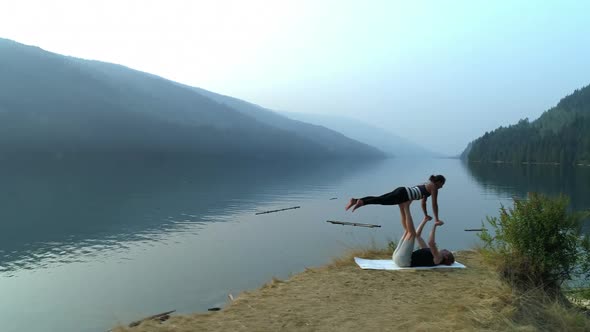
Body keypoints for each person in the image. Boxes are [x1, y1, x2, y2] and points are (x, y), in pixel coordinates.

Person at [345, 175, 446, 242]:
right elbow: (434, 204)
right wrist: (436, 218)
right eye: (442, 184)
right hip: (403, 196)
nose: (442, 187)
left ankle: (356, 200)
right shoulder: (433, 188)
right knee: (381, 200)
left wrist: (425, 215)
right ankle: (361, 202)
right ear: (438, 182)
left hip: (402, 190)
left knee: (380, 198)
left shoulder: (427, 183)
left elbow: (424, 202)